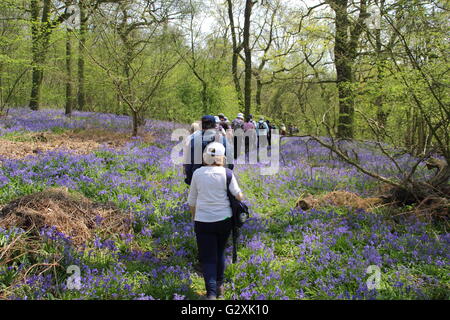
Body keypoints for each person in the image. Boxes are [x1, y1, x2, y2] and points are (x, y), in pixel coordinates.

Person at [187, 142, 244, 300]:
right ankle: (220, 287)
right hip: (224, 220)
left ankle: (211, 294)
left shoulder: (198, 173)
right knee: (219, 252)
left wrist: (194, 217)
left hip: (203, 221)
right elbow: (239, 195)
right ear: (222, 158)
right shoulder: (227, 173)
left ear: (205, 157)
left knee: (208, 257)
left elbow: (192, 201)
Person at [183, 115, 233, 185]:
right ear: (215, 125)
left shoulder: (194, 141)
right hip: (219, 179)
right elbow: (230, 161)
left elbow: (188, 164)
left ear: (201, 126)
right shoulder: (223, 140)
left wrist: (190, 180)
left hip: (199, 180)